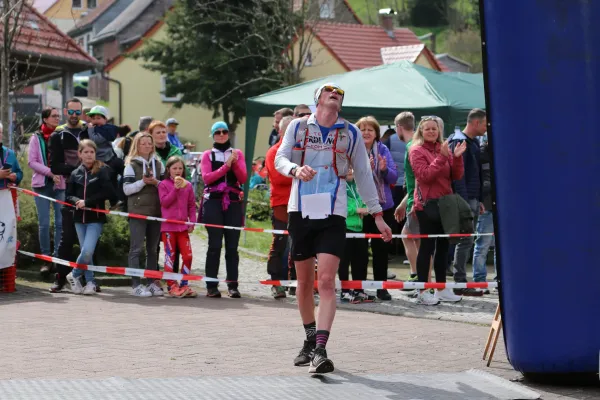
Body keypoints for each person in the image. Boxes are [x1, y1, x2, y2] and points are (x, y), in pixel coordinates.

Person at [275, 82, 392, 374]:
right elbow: (280, 157)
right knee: (304, 283)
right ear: (317, 99)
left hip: (333, 211)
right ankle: (309, 338)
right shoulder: (299, 127)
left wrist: (377, 214)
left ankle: (321, 350)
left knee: (326, 281)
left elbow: (364, 174)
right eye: (329, 91)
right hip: (300, 208)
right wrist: (295, 170)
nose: (335, 94)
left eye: (339, 93)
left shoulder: (350, 133)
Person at [409, 116, 466, 305]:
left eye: (434, 129)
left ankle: (441, 289)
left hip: (446, 204)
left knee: (443, 247)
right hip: (427, 206)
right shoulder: (416, 150)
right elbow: (425, 176)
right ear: (421, 131)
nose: (432, 132)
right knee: (427, 247)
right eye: (428, 129)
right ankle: (422, 290)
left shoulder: (444, 148)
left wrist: (456, 158)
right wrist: (442, 157)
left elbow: (456, 176)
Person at [200, 121, 247, 298]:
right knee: (214, 245)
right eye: (217, 132)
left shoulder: (237, 153)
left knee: (232, 246)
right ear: (213, 135)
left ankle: (232, 284)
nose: (221, 135)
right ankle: (211, 285)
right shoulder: (207, 155)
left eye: (224, 131)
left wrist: (234, 163)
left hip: (233, 202)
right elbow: (207, 178)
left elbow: (242, 177)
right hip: (213, 202)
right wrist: (226, 166)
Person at [49, 98, 91, 293]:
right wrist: (77, 170)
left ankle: (89, 279)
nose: (74, 116)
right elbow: (55, 166)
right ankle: (59, 278)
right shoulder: (58, 135)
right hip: (70, 191)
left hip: (91, 191)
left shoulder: (88, 131)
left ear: (81, 113)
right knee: (67, 238)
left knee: (90, 238)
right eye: (71, 112)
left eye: (78, 112)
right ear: (66, 112)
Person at [65, 140, 118, 295]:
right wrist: (76, 202)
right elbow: (68, 195)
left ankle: (73, 275)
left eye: (92, 152)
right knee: (85, 252)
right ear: (79, 154)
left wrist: (87, 202)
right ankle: (90, 282)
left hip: (95, 217)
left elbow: (107, 192)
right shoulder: (75, 173)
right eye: (86, 152)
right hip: (79, 218)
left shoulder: (102, 170)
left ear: (95, 154)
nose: (89, 155)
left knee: (88, 251)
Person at [356, 116, 398, 301]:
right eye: (362, 129)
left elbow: (394, 178)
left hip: (383, 207)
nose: (366, 132)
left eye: (370, 130)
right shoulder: (352, 150)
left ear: (376, 133)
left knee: (381, 250)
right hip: (360, 208)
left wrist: (383, 169)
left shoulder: (383, 149)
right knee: (359, 250)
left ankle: (382, 287)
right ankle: (359, 287)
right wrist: (364, 169)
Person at [448, 109, 487, 296]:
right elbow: (458, 175)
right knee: (465, 241)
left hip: (472, 198)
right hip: (465, 200)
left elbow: (473, 174)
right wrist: (464, 201)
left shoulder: (471, 142)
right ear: (476, 123)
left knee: (467, 241)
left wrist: (477, 198)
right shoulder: (459, 141)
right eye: (485, 124)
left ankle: (461, 281)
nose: (486, 128)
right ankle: (459, 282)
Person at [123, 133, 165, 297]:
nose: (147, 146)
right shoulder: (130, 165)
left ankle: (151, 282)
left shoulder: (159, 164)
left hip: (156, 211)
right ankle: (136, 284)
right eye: (143, 144)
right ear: (137, 146)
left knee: (153, 249)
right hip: (138, 211)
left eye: (150, 143)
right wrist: (142, 182)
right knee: (136, 249)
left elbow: (165, 186)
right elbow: (126, 189)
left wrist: (156, 182)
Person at [28, 107, 65, 277]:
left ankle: (57, 259)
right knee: (44, 224)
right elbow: (32, 162)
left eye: (58, 116)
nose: (58, 118)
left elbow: (69, 158)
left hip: (61, 185)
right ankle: (45, 259)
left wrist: (61, 173)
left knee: (60, 223)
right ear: (45, 119)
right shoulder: (36, 138)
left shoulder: (62, 136)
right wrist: (51, 173)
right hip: (42, 184)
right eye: (54, 116)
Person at [158, 156, 197, 298]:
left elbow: (192, 206)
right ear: (168, 170)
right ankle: (171, 285)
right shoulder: (163, 185)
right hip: (168, 228)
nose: (178, 171)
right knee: (170, 257)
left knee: (188, 256)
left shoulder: (188, 185)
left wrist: (192, 222)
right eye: (174, 168)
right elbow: (165, 203)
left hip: (183, 228)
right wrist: (175, 189)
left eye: (180, 168)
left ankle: (184, 284)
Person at [265, 115, 294, 299]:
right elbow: (278, 178)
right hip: (282, 204)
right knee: (280, 243)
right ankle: (276, 282)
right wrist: (299, 172)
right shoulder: (274, 152)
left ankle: (296, 282)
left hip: (301, 204)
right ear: (281, 131)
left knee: (301, 244)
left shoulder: (302, 151)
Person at [338, 168, 374, 304]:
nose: (349, 171)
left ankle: (359, 290)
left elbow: (363, 201)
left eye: (352, 168)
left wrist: (365, 209)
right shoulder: (340, 186)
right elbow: (337, 206)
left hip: (359, 228)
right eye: (346, 168)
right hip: (345, 227)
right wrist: (355, 210)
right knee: (344, 261)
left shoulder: (357, 185)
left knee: (361, 261)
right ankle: (345, 292)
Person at [471, 133, 495, 292]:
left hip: (497, 205)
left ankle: (498, 280)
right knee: (482, 245)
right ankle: (479, 280)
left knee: (500, 247)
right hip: (486, 205)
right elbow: (479, 179)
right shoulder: (480, 153)